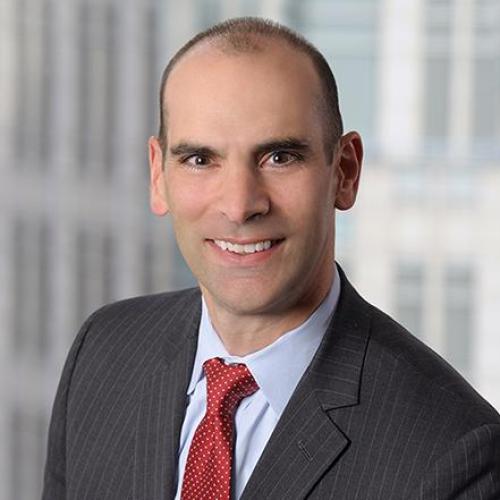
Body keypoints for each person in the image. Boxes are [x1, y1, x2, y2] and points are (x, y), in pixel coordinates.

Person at [42, 17, 500, 500]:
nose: (240, 205)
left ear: (345, 172)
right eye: (200, 159)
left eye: (279, 157)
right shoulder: (104, 351)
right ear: (158, 175)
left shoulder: (450, 457)